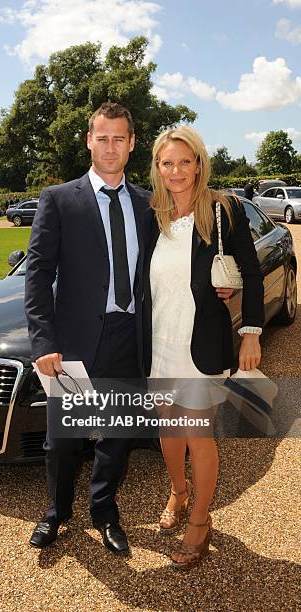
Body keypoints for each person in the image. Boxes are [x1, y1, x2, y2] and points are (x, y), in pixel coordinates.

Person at [25, 102, 152, 553]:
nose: (111, 146)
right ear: (88, 140)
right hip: (72, 345)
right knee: (63, 441)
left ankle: (104, 511)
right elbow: (38, 274)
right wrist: (44, 341)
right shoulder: (58, 199)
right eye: (103, 138)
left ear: (132, 144)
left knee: (116, 437)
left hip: (128, 339)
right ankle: (56, 513)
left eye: (120, 138)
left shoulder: (146, 203)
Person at [143, 126, 264, 569]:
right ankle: (178, 492)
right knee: (167, 431)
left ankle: (199, 520)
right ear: (157, 168)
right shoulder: (151, 213)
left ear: (199, 162)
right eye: (167, 163)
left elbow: (249, 271)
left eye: (185, 161)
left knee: (198, 435)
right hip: (158, 341)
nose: (177, 171)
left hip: (203, 344)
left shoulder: (222, 209)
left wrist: (250, 331)